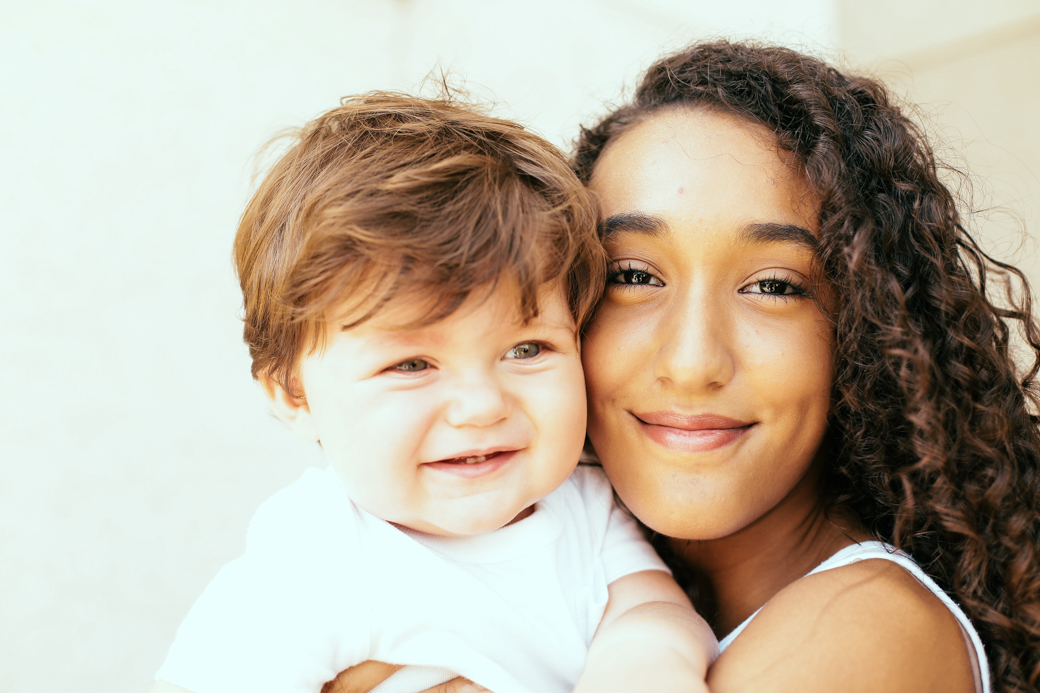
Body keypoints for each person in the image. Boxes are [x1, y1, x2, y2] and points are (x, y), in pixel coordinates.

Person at [150, 93, 718, 693]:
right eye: (413, 363)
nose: (481, 406)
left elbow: (652, 614)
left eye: (526, 350)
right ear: (296, 395)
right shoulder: (313, 560)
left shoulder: (584, 507)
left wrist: (645, 666)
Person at [570, 40, 1040, 693]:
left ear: (865, 328)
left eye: (775, 286)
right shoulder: (584, 582)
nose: (692, 362)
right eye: (633, 275)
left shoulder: (868, 628)